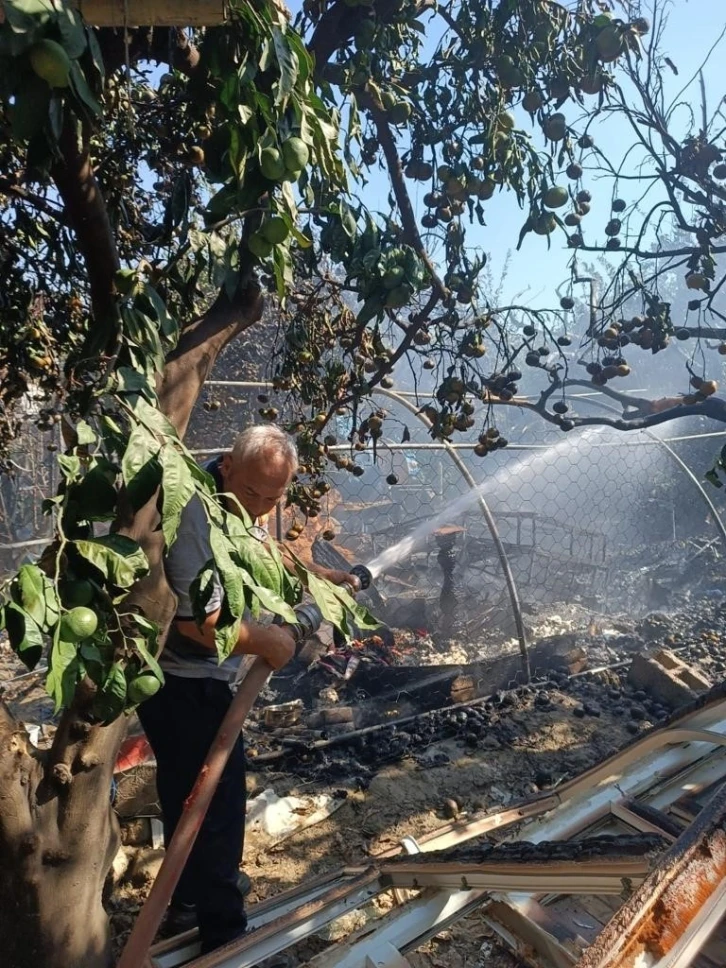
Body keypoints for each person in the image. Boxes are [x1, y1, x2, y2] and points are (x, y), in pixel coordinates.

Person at [137, 425, 357, 953]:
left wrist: (319, 577)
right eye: (253, 492)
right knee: (215, 805)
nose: (259, 505)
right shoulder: (197, 511)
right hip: (184, 683)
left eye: (272, 497)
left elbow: (264, 552)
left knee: (183, 790)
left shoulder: (235, 496)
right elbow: (196, 623)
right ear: (229, 467)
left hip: (192, 682)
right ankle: (224, 935)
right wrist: (268, 640)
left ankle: (187, 900)